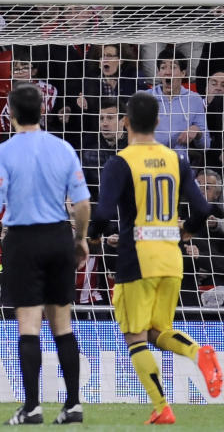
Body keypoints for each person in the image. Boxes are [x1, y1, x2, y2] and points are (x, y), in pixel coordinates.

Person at [88, 91, 223, 424]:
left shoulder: (120, 161)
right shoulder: (176, 159)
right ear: (159, 121)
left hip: (137, 257)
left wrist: (88, 237)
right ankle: (200, 352)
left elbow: (104, 211)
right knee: (157, 330)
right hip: (172, 258)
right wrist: (187, 230)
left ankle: (162, 406)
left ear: (126, 122)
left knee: (135, 336)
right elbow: (204, 208)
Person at [0, 82, 91, 425]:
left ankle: (33, 407)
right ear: (42, 110)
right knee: (62, 324)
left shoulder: (5, 152)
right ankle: (73, 404)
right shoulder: (63, 148)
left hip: (22, 240)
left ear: (11, 114)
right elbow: (82, 204)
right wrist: (79, 238)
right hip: (57, 237)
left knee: (29, 325)